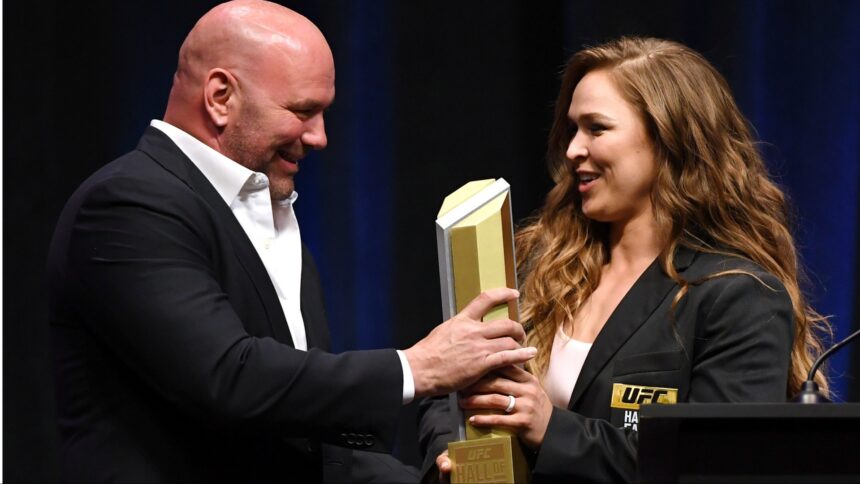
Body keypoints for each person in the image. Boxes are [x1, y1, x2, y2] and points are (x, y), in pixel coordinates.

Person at [46, 1, 537, 482]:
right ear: (220, 96)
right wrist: (417, 367)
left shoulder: (267, 206)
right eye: (302, 111)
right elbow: (228, 378)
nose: (320, 136)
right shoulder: (127, 204)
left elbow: (299, 434)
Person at [419, 36, 830, 483]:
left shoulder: (737, 295)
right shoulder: (537, 262)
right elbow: (444, 390)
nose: (574, 148)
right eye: (573, 129)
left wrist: (551, 429)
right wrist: (453, 456)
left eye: (596, 128)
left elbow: (714, 465)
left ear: (669, 138)